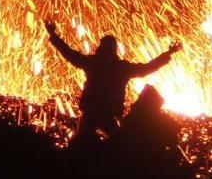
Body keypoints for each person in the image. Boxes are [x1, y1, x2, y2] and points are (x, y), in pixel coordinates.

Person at [44, 20, 181, 144]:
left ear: (100, 47)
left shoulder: (93, 63)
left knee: (82, 142)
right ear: (115, 49)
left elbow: (69, 53)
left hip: (92, 111)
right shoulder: (121, 67)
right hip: (109, 112)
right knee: (119, 142)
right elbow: (146, 68)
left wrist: (54, 35)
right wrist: (168, 53)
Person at [114, 84, 181, 169]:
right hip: (148, 161)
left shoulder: (133, 117)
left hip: (136, 160)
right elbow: (173, 141)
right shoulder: (162, 120)